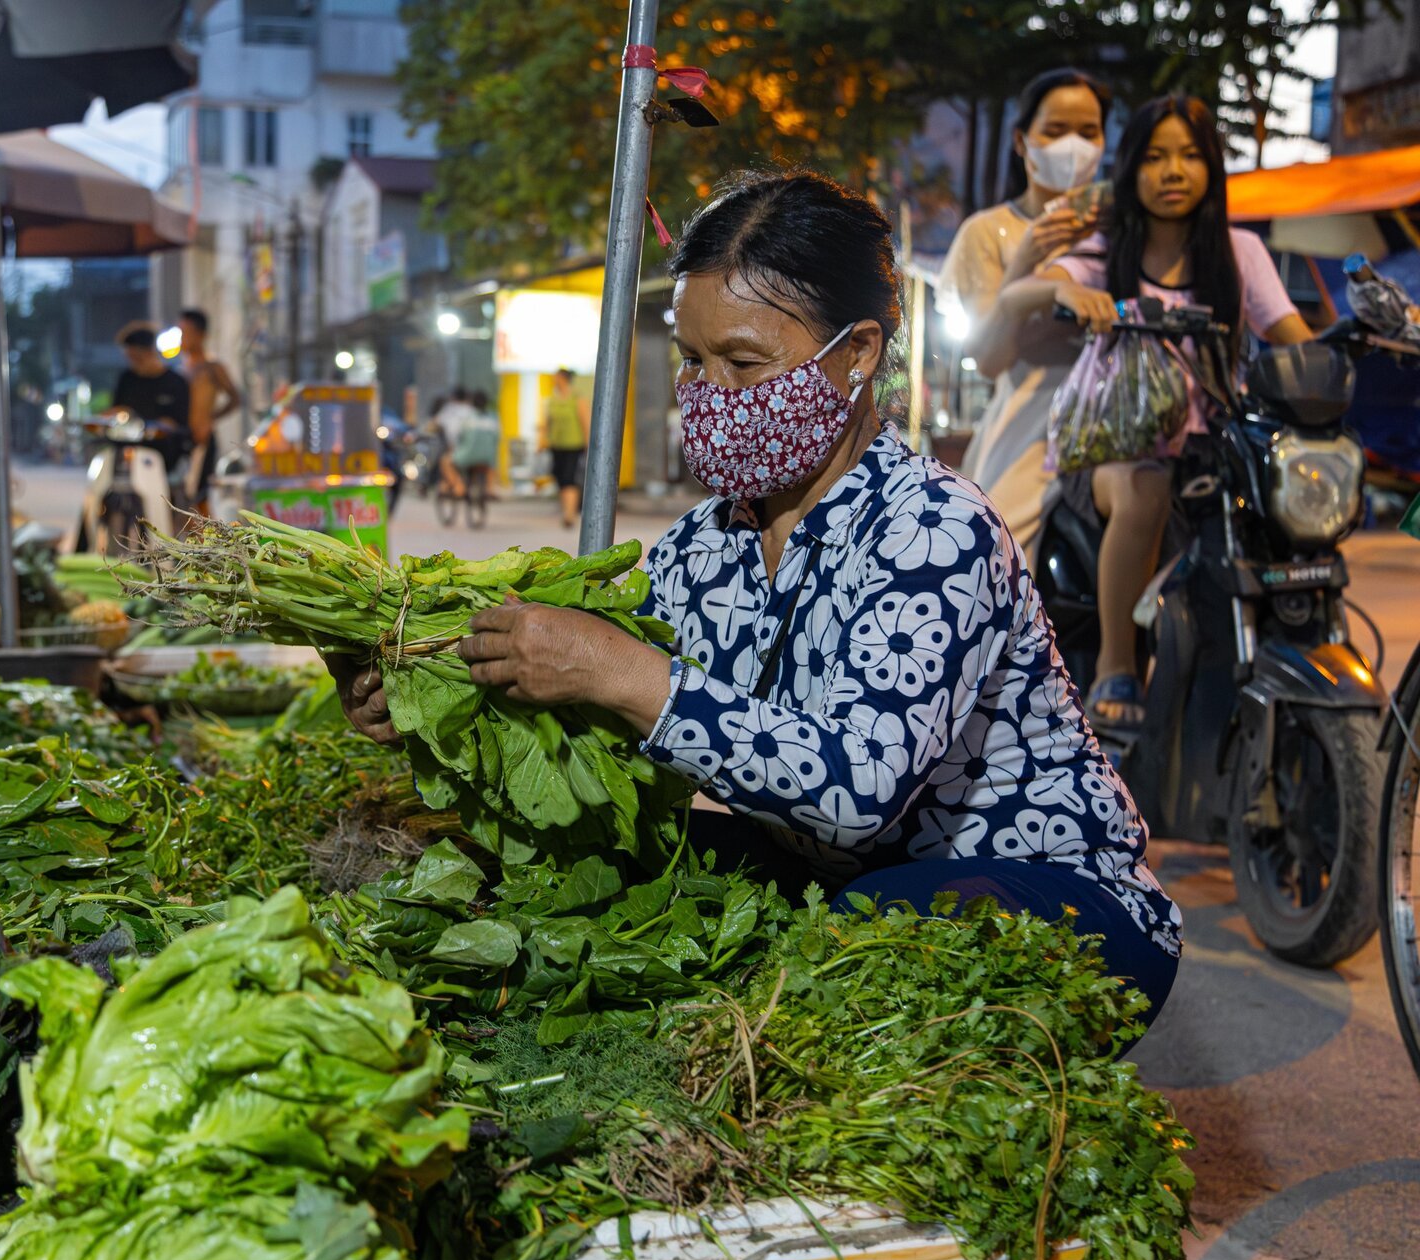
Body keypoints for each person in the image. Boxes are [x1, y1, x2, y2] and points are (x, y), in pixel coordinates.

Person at [333, 170, 1182, 1033]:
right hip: (845, 882)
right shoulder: (702, 547)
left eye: (744, 362)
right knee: (580, 876)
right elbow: (606, 731)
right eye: (695, 362)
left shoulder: (935, 527)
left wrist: (626, 671)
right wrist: (438, 695)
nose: (711, 393)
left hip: (1042, 887)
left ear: (856, 355)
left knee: (839, 952)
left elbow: (856, 791)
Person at [985, 94, 1311, 728]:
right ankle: (1117, 665)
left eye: (1190, 156)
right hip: (1114, 453)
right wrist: (1064, 289)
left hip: (1218, 454)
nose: (1173, 171)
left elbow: (1296, 338)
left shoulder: (1241, 253)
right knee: (1144, 486)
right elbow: (1023, 292)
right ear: (1130, 169)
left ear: (1212, 169)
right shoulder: (1107, 252)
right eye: (1156, 157)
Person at [942, 68, 1113, 557]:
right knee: (994, 551)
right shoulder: (987, 232)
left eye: (1089, 132)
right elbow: (990, 359)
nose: (1074, 146)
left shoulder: (1121, 229)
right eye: (1055, 131)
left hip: (1122, 405)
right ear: (1022, 141)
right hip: (1030, 412)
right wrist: (1025, 261)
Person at [178, 308, 238, 513]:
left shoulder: (212, 367)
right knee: (182, 496)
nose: (182, 338)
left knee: (201, 497)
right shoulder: (182, 369)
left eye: (186, 333)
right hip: (183, 439)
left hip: (204, 440)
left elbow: (235, 398)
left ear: (201, 335)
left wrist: (210, 418)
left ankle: (206, 541)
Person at [111, 321, 192, 467]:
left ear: (149, 352)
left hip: (165, 458)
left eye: (136, 358)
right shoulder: (127, 379)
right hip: (128, 454)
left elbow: (178, 423)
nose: (133, 363)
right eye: (129, 358)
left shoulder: (175, 382)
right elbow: (116, 410)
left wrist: (154, 426)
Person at [537, 366, 589, 527]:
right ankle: (566, 509)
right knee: (559, 477)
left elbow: (585, 422)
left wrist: (589, 444)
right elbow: (546, 423)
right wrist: (542, 441)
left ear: (563, 378)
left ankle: (569, 514)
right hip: (556, 445)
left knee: (569, 477)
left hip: (574, 445)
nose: (554, 380)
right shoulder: (552, 399)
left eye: (556, 377)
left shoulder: (577, 398)